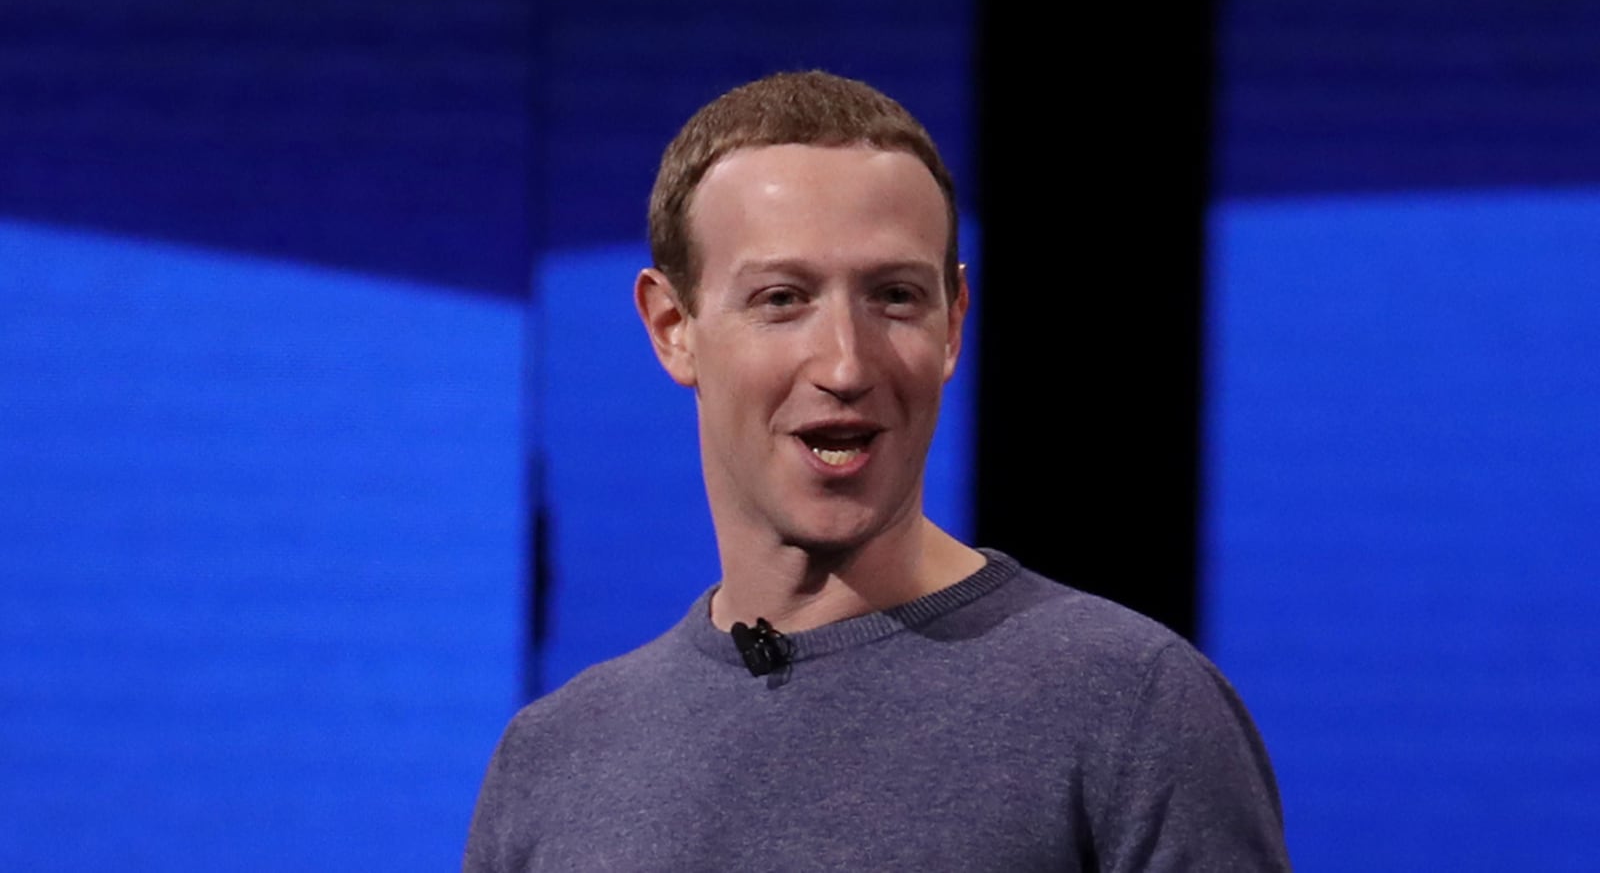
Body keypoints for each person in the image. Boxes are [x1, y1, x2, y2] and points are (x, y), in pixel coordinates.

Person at [464, 70, 1291, 871]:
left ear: (954, 322)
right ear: (674, 324)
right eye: (783, 299)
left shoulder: (1132, 707)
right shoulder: (554, 761)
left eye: (894, 296)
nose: (846, 364)